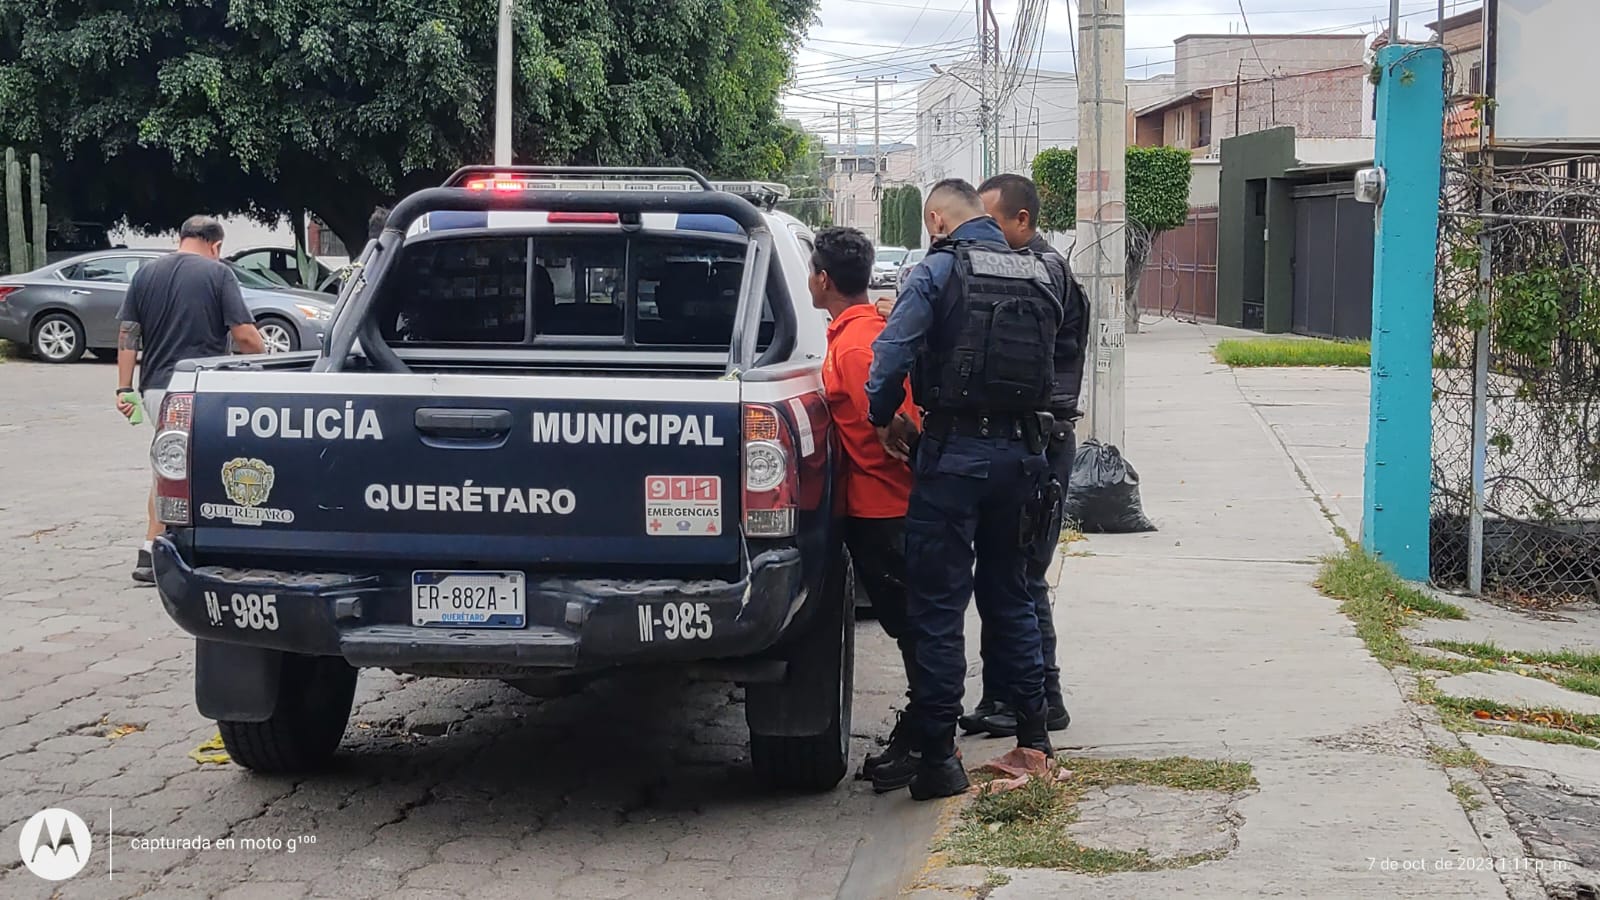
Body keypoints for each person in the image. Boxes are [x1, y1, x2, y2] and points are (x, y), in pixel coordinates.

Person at [863, 179, 1063, 800]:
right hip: (1024, 458)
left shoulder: (937, 270)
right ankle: (1034, 744)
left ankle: (939, 760)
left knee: (937, 608)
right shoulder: (1040, 272)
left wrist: (881, 415)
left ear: (936, 220)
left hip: (953, 459)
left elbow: (891, 355)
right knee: (1011, 595)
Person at [958, 173, 1091, 738]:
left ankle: (1043, 696)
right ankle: (1004, 697)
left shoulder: (1043, 273)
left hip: (1041, 441)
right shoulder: (1018, 267)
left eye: (992, 223)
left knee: (1021, 576)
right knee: (1001, 575)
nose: (983, 235)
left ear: (1021, 221)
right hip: (1028, 439)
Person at [804, 227, 923, 780]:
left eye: (811, 271)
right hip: (883, 507)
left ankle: (925, 738)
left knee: (912, 630)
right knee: (912, 627)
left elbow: (902, 428)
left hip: (885, 510)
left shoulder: (855, 347)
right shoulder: (857, 333)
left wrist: (890, 450)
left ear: (823, 280)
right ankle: (926, 731)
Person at [117, 216, 264, 583]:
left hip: (153, 389)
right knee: (196, 471)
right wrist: (264, 360)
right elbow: (245, 335)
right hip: (196, 389)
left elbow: (128, 335)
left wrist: (124, 388)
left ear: (179, 238)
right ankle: (183, 550)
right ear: (216, 246)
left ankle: (151, 551)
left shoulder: (145, 274)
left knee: (169, 468)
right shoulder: (219, 274)